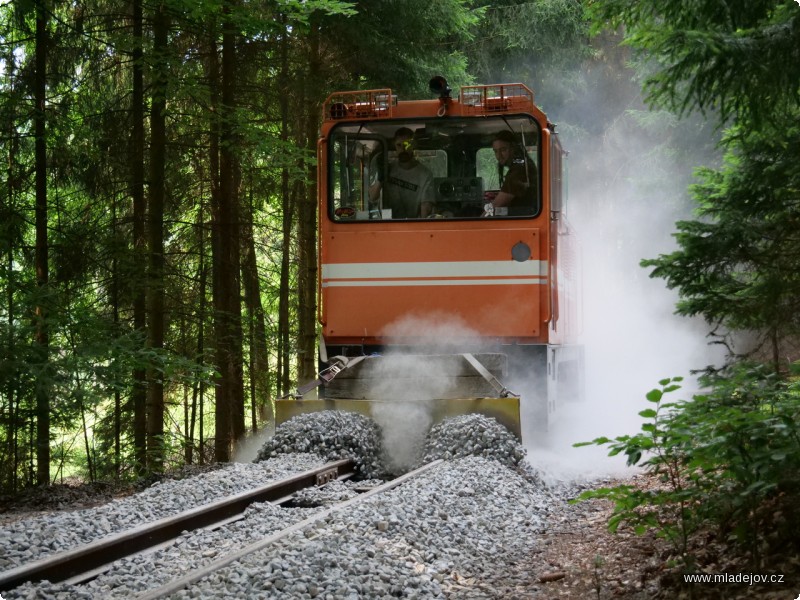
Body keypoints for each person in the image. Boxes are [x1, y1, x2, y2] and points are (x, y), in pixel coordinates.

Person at [369, 127, 434, 218]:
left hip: (413, 225)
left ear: (413, 145)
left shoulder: (425, 175)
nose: (403, 149)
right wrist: (380, 178)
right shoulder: (387, 169)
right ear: (394, 146)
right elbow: (372, 197)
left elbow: (425, 207)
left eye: (406, 144)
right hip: (388, 224)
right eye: (399, 145)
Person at [486, 129, 538, 215]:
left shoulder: (519, 170)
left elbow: (495, 206)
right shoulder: (523, 164)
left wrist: (473, 226)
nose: (498, 156)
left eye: (503, 150)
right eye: (495, 151)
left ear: (513, 148)